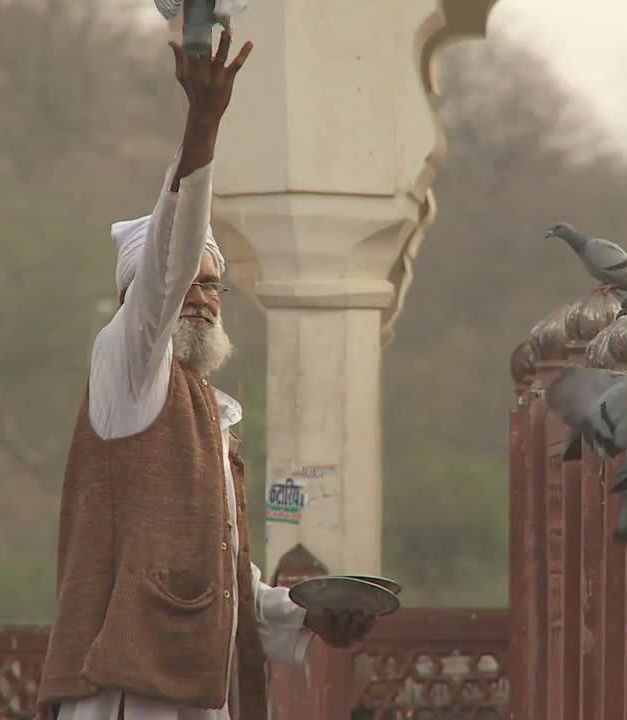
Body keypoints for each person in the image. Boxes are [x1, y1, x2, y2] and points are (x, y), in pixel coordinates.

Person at [36, 24, 374, 720]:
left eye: (212, 284)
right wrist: (203, 123)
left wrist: (306, 615)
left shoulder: (206, 412)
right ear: (138, 302)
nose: (197, 292)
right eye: (186, 279)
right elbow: (167, 258)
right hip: (123, 696)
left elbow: (218, 573)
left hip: (199, 696)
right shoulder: (125, 372)